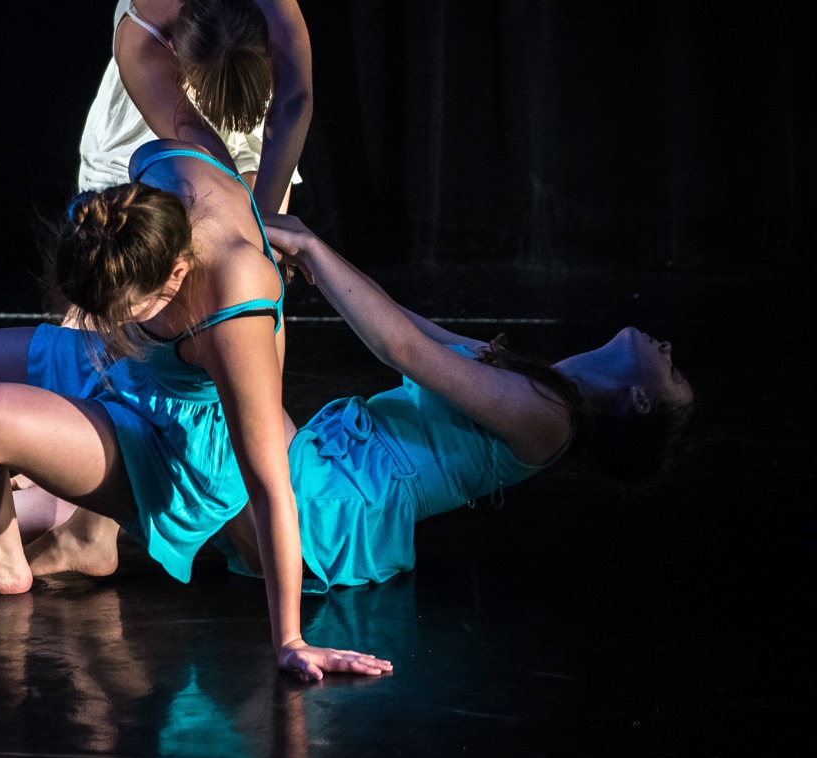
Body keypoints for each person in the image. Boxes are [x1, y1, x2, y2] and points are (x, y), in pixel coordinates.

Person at [0, 139, 391, 681]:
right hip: (122, 369)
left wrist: (291, 641)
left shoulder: (235, 312)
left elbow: (269, 483)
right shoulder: (157, 174)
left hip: (177, 449)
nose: (110, 318)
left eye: (123, 310)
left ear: (177, 274)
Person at [218, 215, 695, 588]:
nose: (669, 349)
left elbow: (402, 349)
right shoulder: (540, 385)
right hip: (327, 474)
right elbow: (406, 323)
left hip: (331, 506)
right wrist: (316, 261)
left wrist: (310, 246)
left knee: (205, 384)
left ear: (640, 400)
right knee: (195, 378)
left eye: (672, 371)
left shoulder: (549, 419)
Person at [77, 0, 311, 217]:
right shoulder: (139, 48)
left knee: (265, 190)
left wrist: (265, 221)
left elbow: (293, 102)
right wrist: (249, 221)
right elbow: (193, 133)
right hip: (161, 110)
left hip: (236, 77)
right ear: (174, 49)